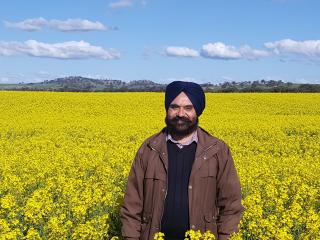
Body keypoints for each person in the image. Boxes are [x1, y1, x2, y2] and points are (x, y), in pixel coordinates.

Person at [120, 81, 244, 240]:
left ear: (197, 111)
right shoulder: (149, 149)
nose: (180, 113)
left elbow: (231, 207)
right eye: (174, 107)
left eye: (188, 108)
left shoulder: (218, 151)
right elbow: (132, 205)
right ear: (166, 109)